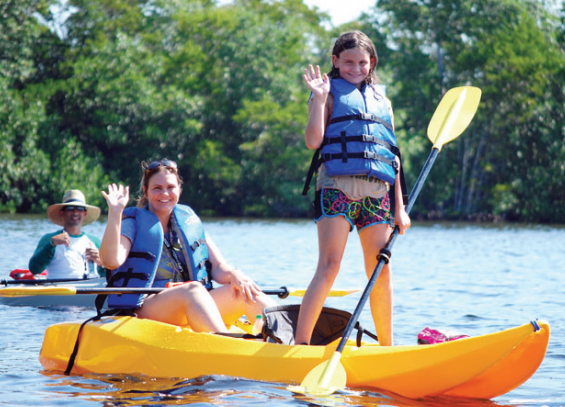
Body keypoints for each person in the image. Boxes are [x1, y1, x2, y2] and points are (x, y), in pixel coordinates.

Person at [295, 31, 411, 346]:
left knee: (381, 271)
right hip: (336, 187)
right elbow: (313, 141)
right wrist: (318, 100)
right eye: (348, 62)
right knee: (330, 266)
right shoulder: (327, 92)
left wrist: (399, 207)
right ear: (335, 61)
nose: (356, 68)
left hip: (377, 193)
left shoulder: (382, 101)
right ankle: (301, 345)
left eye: (362, 62)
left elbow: (394, 157)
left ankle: (388, 348)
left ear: (371, 62)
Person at [99, 159, 277, 333]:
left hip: (192, 301)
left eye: (170, 188)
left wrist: (235, 274)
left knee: (244, 291)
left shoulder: (188, 223)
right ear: (145, 192)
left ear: (179, 190)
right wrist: (115, 214)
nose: (165, 194)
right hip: (144, 307)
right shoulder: (133, 224)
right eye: (157, 188)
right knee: (193, 290)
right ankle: (227, 346)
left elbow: (218, 267)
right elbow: (111, 261)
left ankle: (290, 340)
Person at [29, 189, 105, 279]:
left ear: (85, 214)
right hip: (58, 290)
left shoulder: (95, 241)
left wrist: (101, 263)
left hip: (88, 289)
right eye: (70, 208)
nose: (75, 212)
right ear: (62, 213)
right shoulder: (50, 238)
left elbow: (109, 276)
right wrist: (51, 245)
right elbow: (34, 269)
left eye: (80, 208)